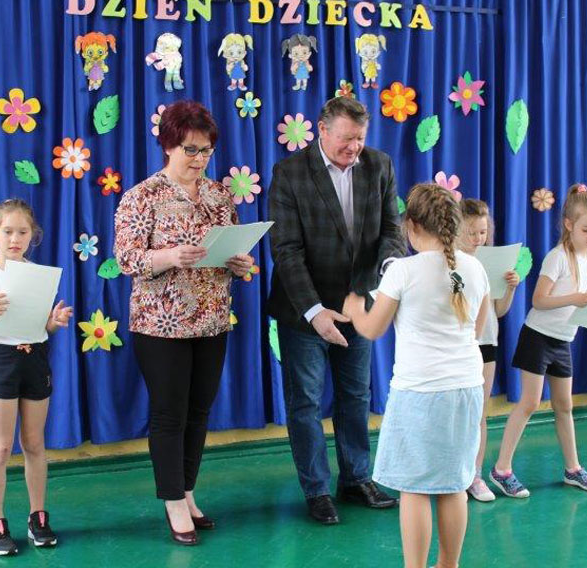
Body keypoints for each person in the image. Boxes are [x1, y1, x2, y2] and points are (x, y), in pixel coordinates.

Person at [114, 100, 254, 545]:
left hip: (212, 320)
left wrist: (240, 263)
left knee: (199, 412)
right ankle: (173, 500)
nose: (199, 158)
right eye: (190, 149)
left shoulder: (219, 196)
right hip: (161, 325)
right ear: (168, 146)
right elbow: (127, 259)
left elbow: (230, 247)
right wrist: (171, 256)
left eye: (206, 150)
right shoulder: (142, 196)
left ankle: (189, 492)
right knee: (169, 413)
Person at [344, 183, 490, 568]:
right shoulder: (475, 268)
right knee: (455, 483)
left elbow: (373, 328)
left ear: (411, 226)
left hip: (421, 392)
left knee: (414, 488)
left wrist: (355, 310)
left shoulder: (402, 271)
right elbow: (475, 330)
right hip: (466, 387)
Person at [268, 96, 406, 525]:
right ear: (322, 130)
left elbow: (392, 230)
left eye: (360, 139)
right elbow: (286, 251)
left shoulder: (379, 165)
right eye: (346, 138)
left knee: (356, 395)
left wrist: (382, 278)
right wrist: (315, 311)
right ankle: (316, 490)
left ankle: (356, 479)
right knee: (306, 402)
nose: (354, 148)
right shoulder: (289, 173)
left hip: (358, 304)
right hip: (304, 310)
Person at [489, 184, 587, 498]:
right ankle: (501, 469)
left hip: (562, 341)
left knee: (564, 405)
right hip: (537, 337)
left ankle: (573, 469)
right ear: (569, 225)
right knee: (530, 403)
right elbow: (539, 300)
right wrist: (574, 298)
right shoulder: (556, 257)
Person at [0, 199, 73, 556]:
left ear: (32, 236)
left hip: (35, 360)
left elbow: (40, 327)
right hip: (1, 362)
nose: (15, 239)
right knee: (0, 447)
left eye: (22, 232)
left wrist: (53, 322)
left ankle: (37, 517)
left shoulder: (37, 276)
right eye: (7, 231)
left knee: (34, 443)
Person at [457, 199, 520, 502]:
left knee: (479, 413)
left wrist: (510, 288)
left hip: (486, 344)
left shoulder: (488, 263)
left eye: (482, 232)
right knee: (456, 413)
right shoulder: (451, 263)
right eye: (471, 233)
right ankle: (453, 475)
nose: (477, 239)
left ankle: (475, 475)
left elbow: (500, 310)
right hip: (458, 345)